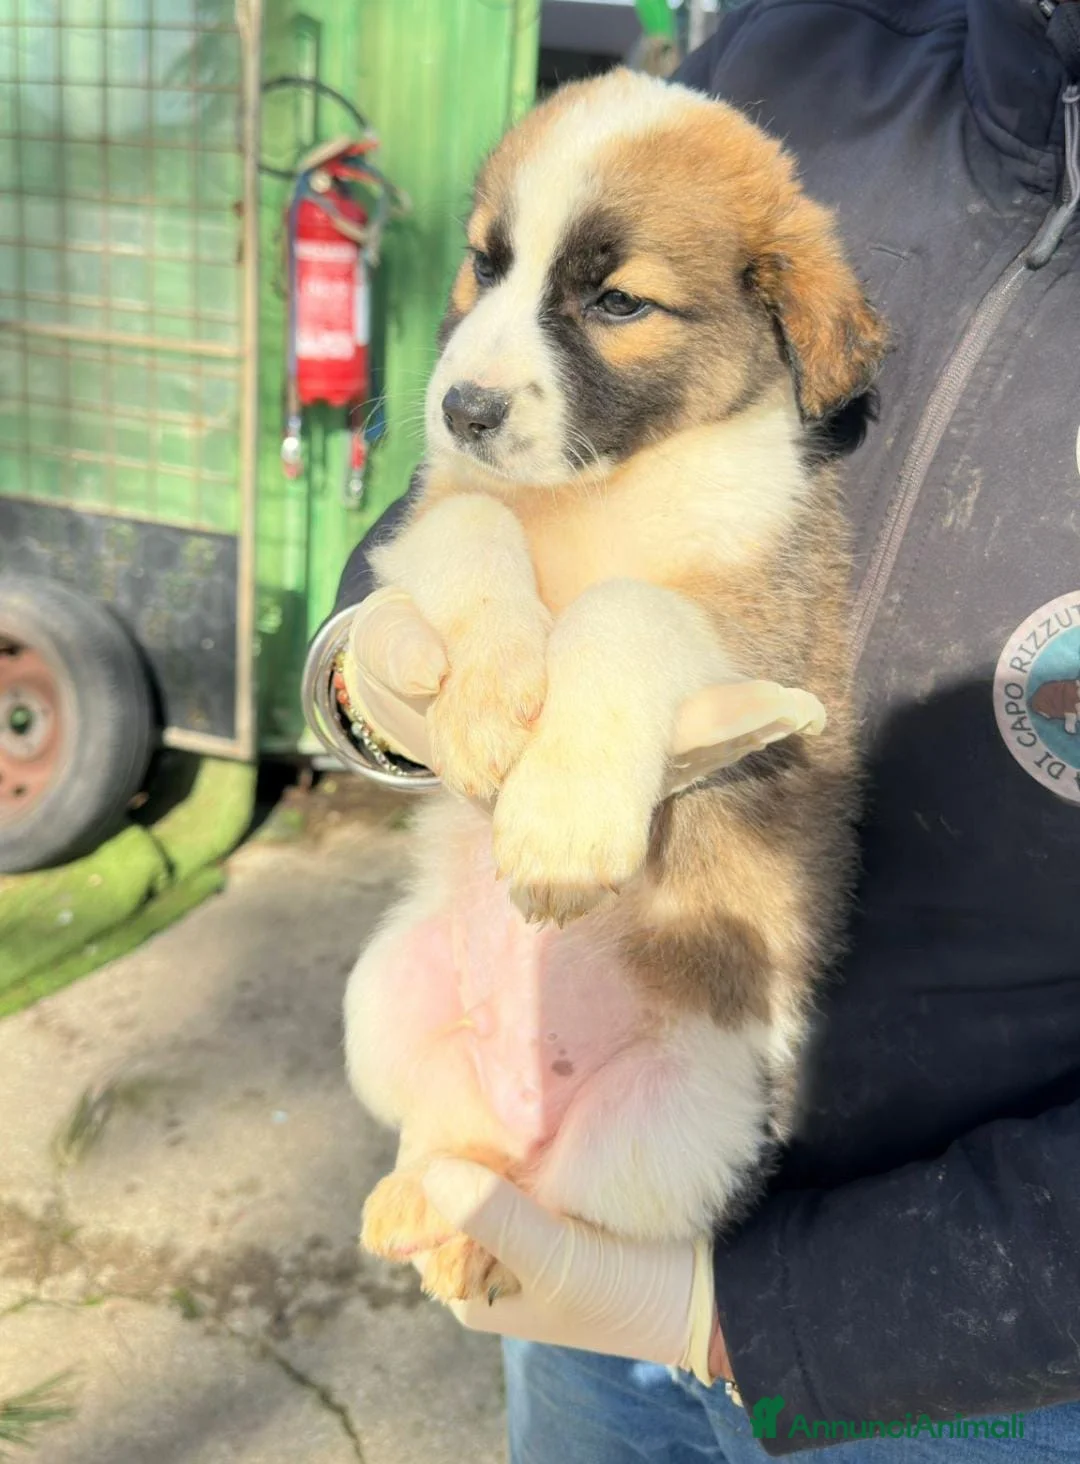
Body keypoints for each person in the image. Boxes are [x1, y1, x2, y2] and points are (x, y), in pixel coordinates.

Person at [302, 0, 1080, 1456]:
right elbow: (465, 487)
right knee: (386, 1019)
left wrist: (741, 1320)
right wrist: (372, 660)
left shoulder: (784, 309)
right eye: (490, 265)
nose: (478, 354)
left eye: (612, 301)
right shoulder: (806, 51)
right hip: (577, 1300)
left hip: (964, 1362)